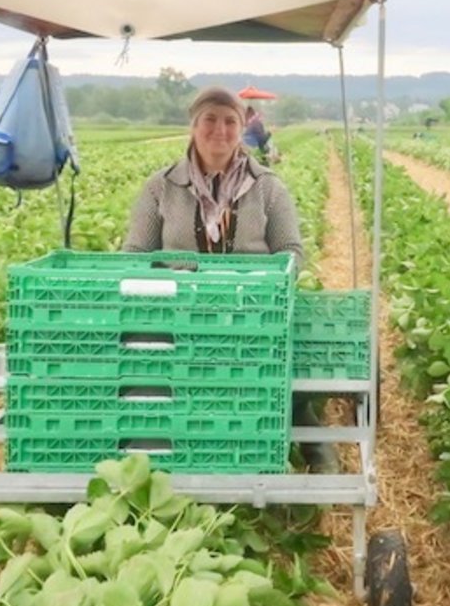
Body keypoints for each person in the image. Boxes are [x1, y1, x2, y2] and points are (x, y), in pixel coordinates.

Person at [122, 87, 335, 471]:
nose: (219, 130)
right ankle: (163, 444)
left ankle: (305, 430)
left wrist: (251, 283)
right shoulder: (161, 187)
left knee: (283, 362)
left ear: (242, 128)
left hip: (249, 311)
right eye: (210, 119)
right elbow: (136, 254)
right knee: (149, 363)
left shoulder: (268, 187)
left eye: (230, 121)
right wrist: (172, 287)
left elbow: (291, 251)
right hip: (178, 312)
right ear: (193, 126)